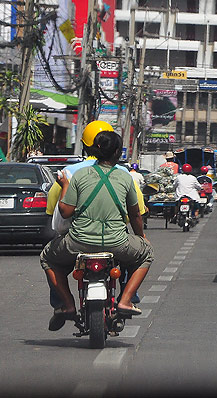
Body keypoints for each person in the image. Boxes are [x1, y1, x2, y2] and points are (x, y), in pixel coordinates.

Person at [41, 130, 153, 330]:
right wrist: (141, 237)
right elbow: (135, 215)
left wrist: (65, 185)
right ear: (118, 152)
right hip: (117, 242)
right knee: (146, 255)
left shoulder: (79, 175)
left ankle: (67, 305)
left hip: (77, 242)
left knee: (48, 258)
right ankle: (126, 300)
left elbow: (65, 212)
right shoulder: (126, 177)